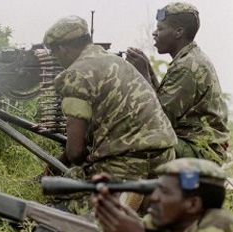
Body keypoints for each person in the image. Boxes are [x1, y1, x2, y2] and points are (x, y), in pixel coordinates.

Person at [42, 15, 176, 192]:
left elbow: (75, 152)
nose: (56, 59)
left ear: (63, 49)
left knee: (58, 196)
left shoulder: (76, 75)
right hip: (166, 158)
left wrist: (57, 170)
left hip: (127, 164)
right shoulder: (118, 62)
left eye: (54, 53)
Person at [126, 2, 229, 165]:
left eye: (160, 29)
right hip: (193, 144)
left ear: (178, 32)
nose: (154, 33)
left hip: (201, 150)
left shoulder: (187, 67)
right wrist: (148, 70)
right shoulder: (188, 59)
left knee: (127, 145)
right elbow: (163, 100)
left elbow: (158, 119)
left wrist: (143, 74)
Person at [93, 158, 233, 232]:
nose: (153, 198)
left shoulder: (217, 231)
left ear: (193, 204)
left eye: (165, 192)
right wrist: (109, 228)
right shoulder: (166, 225)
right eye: (156, 190)